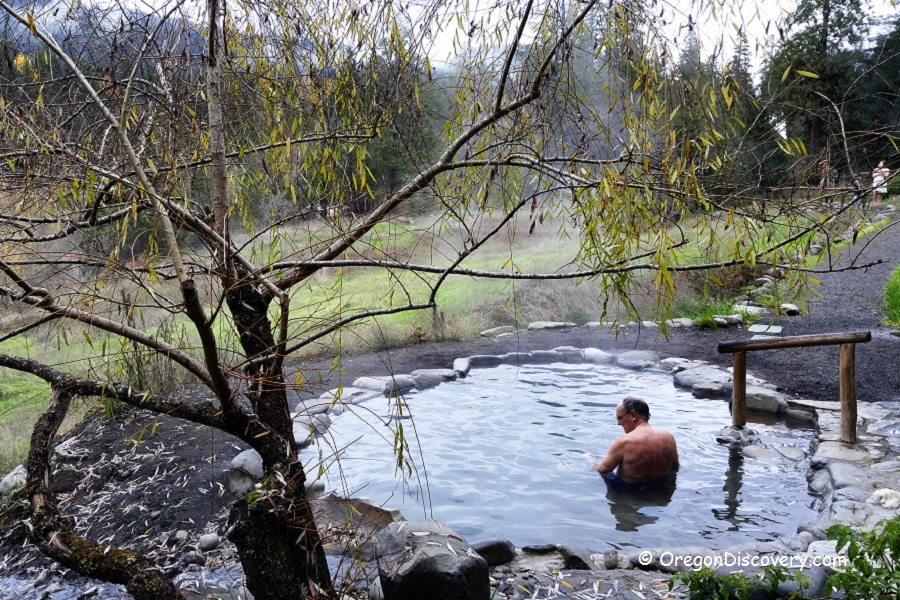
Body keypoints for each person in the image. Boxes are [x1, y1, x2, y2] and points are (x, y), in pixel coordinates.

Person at [593, 396, 679, 491]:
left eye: (619, 417)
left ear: (633, 415)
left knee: (593, 462)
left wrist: (592, 463)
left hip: (629, 489)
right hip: (660, 487)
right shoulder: (668, 437)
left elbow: (602, 470)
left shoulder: (623, 442)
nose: (618, 423)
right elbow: (675, 467)